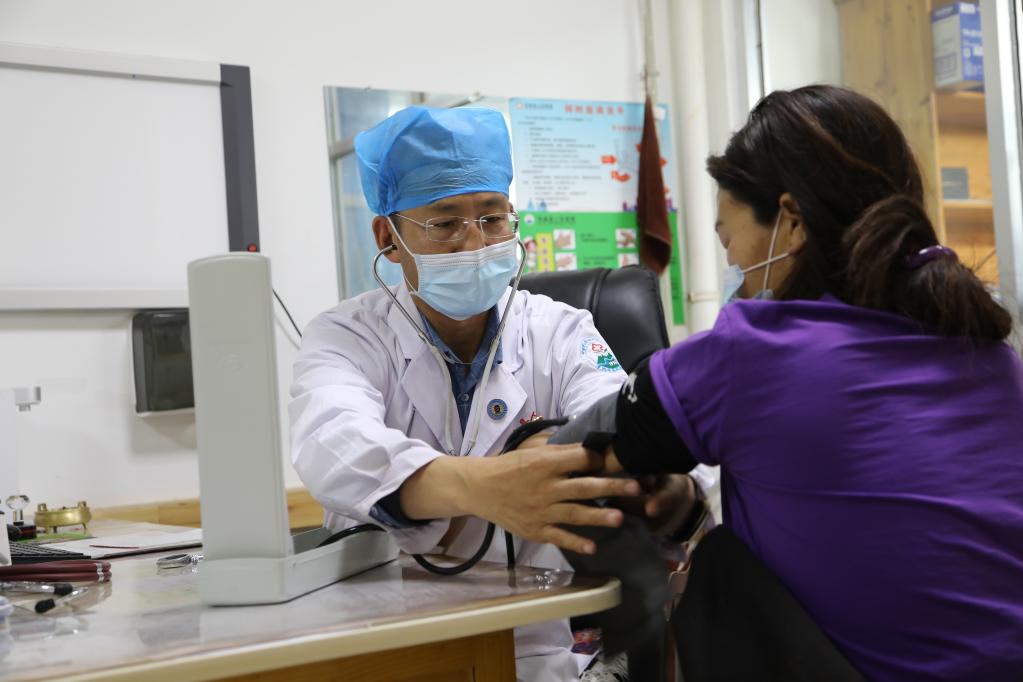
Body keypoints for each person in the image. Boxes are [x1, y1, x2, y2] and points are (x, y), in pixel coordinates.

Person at [589, 85, 1023, 680]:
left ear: (791, 223)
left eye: (728, 239)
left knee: (717, 569)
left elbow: (574, 449)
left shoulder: (755, 351)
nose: (733, 266)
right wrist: (686, 508)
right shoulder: (992, 355)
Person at [289, 105, 712, 681]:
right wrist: (488, 487)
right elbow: (332, 443)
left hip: (534, 647)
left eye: (493, 218)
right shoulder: (347, 335)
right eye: (445, 223)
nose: (475, 242)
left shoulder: (560, 330)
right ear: (389, 237)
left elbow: (621, 416)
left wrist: (656, 482)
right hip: (388, 643)